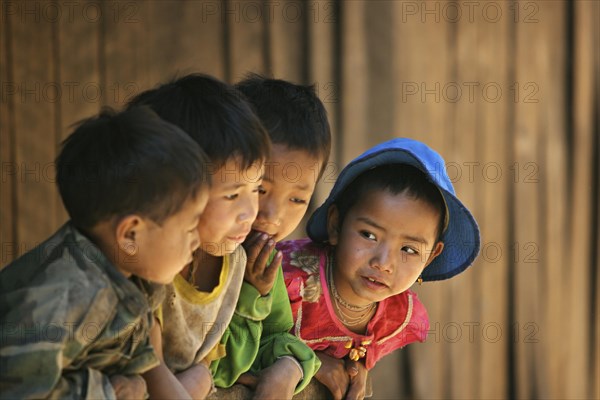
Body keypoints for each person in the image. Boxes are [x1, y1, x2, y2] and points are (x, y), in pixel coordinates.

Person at [0, 107, 210, 399]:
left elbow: (142, 362)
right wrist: (108, 392)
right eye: (189, 228)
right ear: (130, 234)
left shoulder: (129, 277)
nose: (197, 241)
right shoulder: (67, 296)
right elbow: (17, 391)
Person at [280, 138, 481, 399]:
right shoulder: (288, 280)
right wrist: (309, 361)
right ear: (335, 225)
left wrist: (357, 367)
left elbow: (357, 357)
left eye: (409, 250)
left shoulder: (396, 315)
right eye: (368, 235)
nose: (383, 263)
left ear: (430, 258)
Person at [127, 73, 271, 399]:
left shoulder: (237, 262)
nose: (251, 212)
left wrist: (203, 375)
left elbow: (207, 360)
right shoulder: (145, 269)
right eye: (232, 195)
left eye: (257, 188)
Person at [209, 74, 332, 398]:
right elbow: (219, 367)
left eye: (297, 200)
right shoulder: (207, 251)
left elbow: (276, 336)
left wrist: (292, 365)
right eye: (261, 188)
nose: (274, 215)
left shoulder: (267, 258)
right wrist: (250, 295)